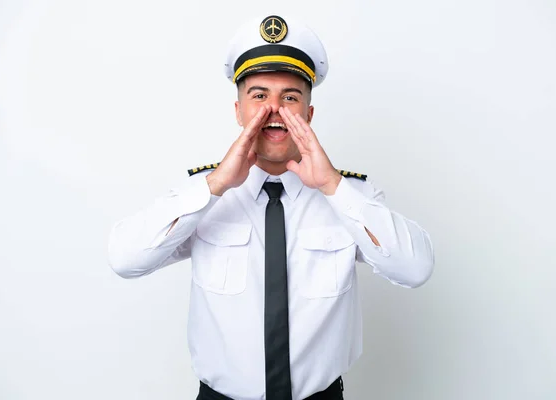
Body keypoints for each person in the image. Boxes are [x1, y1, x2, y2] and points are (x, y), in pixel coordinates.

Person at [108, 14, 434, 400]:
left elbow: (415, 269)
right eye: (259, 96)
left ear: (309, 115)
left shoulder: (350, 195)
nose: (274, 110)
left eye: (290, 98)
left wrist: (332, 185)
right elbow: (125, 259)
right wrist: (216, 186)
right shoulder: (202, 193)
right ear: (239, 111)